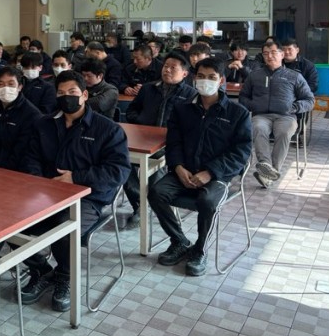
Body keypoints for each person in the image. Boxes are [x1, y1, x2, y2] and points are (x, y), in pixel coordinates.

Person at [20, 70, 131, 312]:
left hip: (88, 197)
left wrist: (75, 178)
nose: (66, 97)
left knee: (64, 227)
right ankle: (42, 270)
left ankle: (65, 276)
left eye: (72, 92)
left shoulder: (107, 129)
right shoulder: (44, 124)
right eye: (61, 93)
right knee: (12, 224)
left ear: (84, 95)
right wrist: (39, 181)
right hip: (46, 192)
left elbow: (118, 171)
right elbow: (31, 157)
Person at [148, 57, 252, 276]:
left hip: (217, 176)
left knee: (207, 201)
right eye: (201, 76)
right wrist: (178, 167)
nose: (205, 81)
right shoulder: (182, 109)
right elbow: (174, 142)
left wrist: (211, 172)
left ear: (221, 80)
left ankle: (200, 250)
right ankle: (179, 241)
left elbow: (241, 151)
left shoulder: (237, 113)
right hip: (184, 171)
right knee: (156, 192)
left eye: (212, 77)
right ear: (194, 79)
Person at [123, 52, 198, 226]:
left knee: (157, 171)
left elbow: (192, 124)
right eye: (165, 66)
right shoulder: (148, 88)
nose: (167, 70)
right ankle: (139, 204)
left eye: (173, 68)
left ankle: (156, 204)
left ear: (184, 73)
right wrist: (140, 122)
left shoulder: (191, 94)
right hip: (143, 141)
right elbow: (132, 110)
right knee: (122, 162)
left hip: (170, 145)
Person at [239, 41, 315, 188]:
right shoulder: (254, 76)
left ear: (282, 54)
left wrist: (294, 107)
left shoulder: (294, 76)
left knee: (284, 132)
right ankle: (266, 165)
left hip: (286, 116)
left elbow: (309, 100)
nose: (270, 56)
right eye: (266, 53)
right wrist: (253, 105)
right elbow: (243, 97)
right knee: (258, 128)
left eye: (273, 52)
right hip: (261, 116)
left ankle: (270, 171)